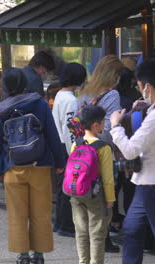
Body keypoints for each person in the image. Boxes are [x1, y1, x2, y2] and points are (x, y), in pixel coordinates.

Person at [0, 68, 65, 264]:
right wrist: (59, 162)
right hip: (40, 164)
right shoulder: (39, 103)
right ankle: (39, 255)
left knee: (17, 214)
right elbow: (52, 134)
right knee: (41, 213)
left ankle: (23, 256)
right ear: (25, 83)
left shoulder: (0, 110)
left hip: (13, 166)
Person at [109, 59, 155, 264]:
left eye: (139, 87)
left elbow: (129, 150)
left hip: (151, 183)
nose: (139, 91)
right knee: (132, 229)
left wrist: (115, 126)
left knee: (133, 229)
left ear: (147, 86)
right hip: (144, 181)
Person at [78, 54, 123, 253]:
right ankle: (102, 238)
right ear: (114, 75)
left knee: (89, 194)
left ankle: (88, 236)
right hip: (102, 151)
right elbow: (110, 130)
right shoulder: (112, 95)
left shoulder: (85, 92)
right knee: (107, 195)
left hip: (84, 149)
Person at [69, 105, 116, 264]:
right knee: (97, 233)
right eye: (103, 122)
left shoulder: (77, 143)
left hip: (76, 193)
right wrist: (110, 200)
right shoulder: (103, 148)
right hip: (96, 195)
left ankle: (83, 261)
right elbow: (108, 178)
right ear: (96, 125)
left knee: (81, 232)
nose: (104, 125)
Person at [52, 63, 87, 238]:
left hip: (58, 145)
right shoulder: (71, 100)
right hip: (66, 147)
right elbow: (70, 129)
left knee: (61, 187)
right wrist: (75, 152)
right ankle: (66, 224)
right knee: (68, 187)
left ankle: (60, 223)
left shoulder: (60, 94)